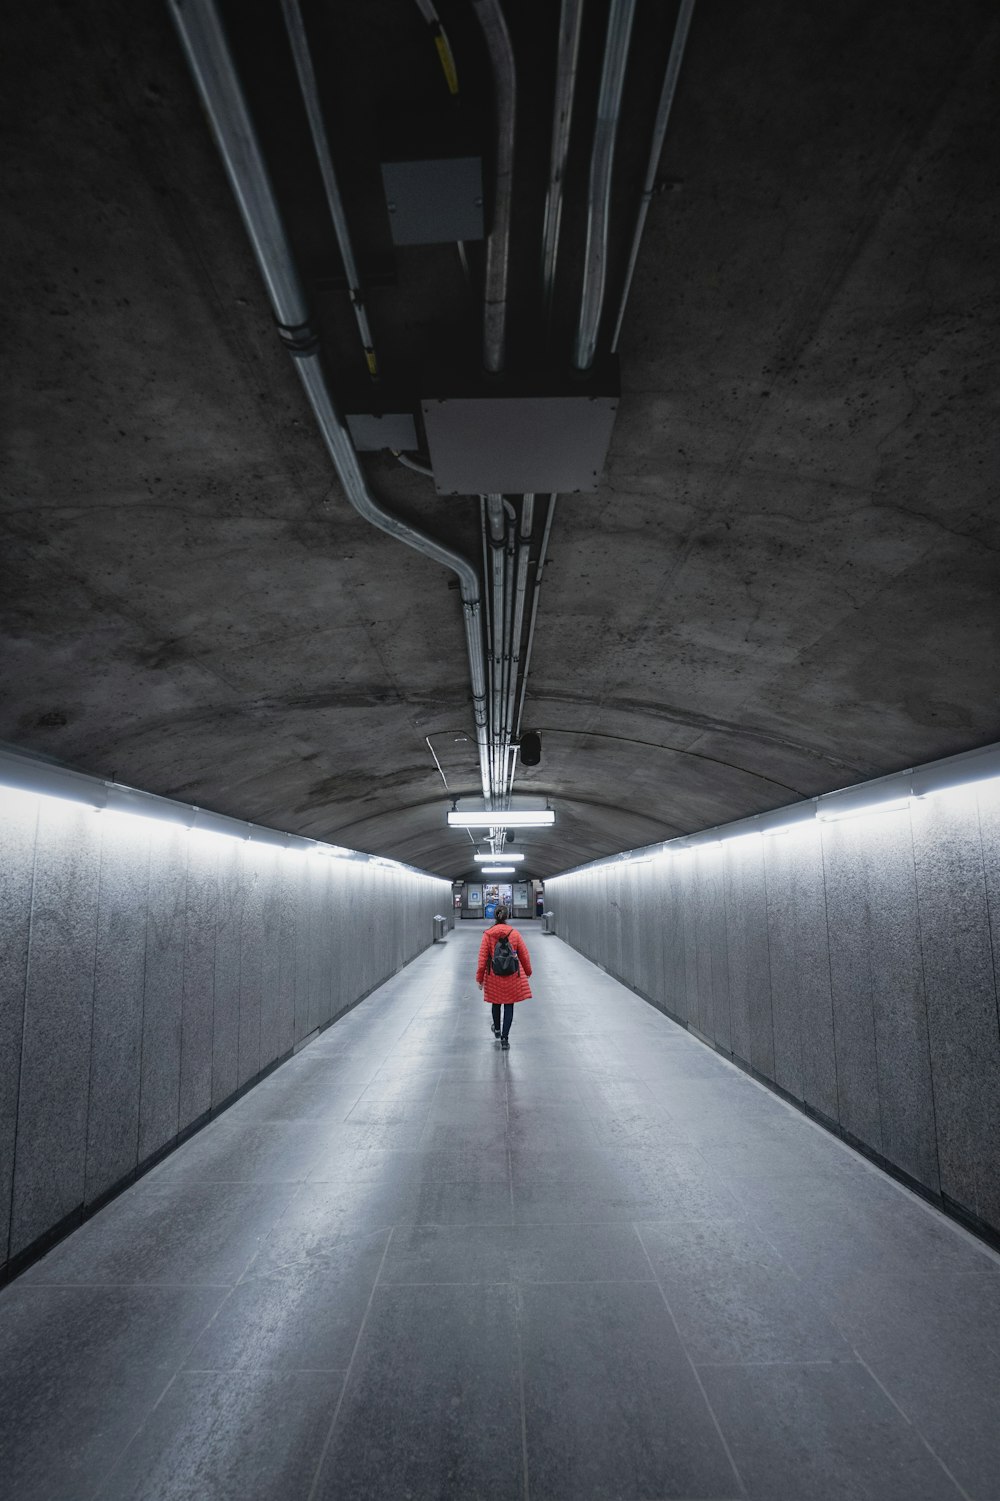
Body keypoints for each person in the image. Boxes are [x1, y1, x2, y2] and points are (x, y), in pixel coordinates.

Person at [476, 903, 532, 1050]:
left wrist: (479, 978)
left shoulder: (488, 935)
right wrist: (528, 971)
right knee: (509, 1005)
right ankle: (505, 1039)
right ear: (507, 916)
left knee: (496, 1003)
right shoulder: (514, 934)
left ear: (494, 916)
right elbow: (524, 955)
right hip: (512, 975)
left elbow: (482, 959)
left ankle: (497, 1029)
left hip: (494, 975)